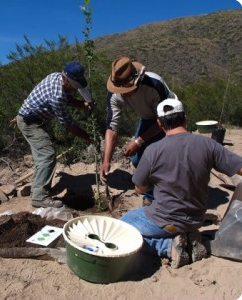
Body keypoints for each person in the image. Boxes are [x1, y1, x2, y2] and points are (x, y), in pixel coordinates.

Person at [121, 98, 242, 268]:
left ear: (159, 123)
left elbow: (140, 189)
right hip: (196, 218)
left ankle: (167, 247)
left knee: (122, 226)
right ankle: (187, 237)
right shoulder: (209, 145)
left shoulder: (153, 150)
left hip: (165, 219)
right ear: (185, 117)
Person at [17, 61, 93, 208]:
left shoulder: (57, 76)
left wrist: (83, 105)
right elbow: (68, 126)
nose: (74, 88)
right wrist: (88, 137)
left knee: (43, 157)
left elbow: (68, 99)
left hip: (35, 118)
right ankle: (39, 197)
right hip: (30, 122)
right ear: (65, 79)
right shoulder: (57, 95)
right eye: (73, 85)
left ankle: (38, 190)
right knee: (47, 155)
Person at [100, 56, 177, 201]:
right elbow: (112, 128)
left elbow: (162, 120)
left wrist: (138, 142)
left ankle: (164, 196)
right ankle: (153, 192)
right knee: (137, 159)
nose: (123, 92)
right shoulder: (114, 94)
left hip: (171, 118)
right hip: (149, 118)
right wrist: (106, 161)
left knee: (165, 158)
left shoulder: (154, 84)